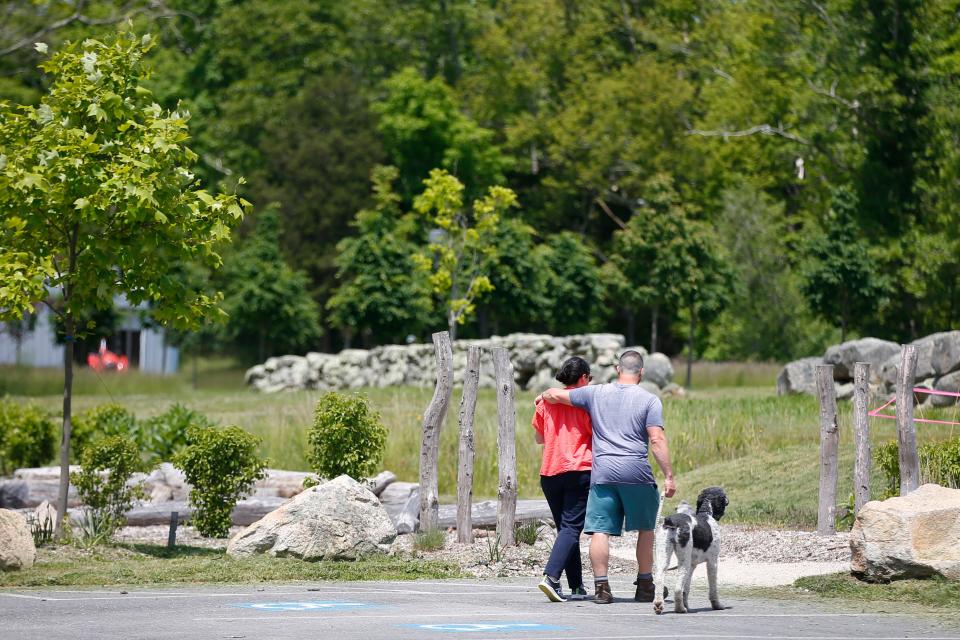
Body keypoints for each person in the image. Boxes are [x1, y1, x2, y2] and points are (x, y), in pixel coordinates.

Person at [541, 350, 676, 605]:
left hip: (602, 473)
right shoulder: (650, 400)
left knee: (600, 531)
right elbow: (656, 439)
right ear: (642, 372)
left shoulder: (596, 392)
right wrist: (669, 475)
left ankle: (602, 588)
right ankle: (645, 584)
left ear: (617, 369)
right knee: (646, 529)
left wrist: (545, 395)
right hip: (636, 472)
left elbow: (554, 394)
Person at [533, 357, 593, 602]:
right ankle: (551, 577)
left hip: (550, 471)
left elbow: (539, 438)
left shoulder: (544, 402)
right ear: (582, 378)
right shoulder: (587, 403)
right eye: (589, 378)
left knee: (566, 529)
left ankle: (576, 585)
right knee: (571, 528)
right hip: (579, 468)